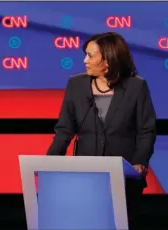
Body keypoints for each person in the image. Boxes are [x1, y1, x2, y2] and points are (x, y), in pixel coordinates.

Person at [47, 32, 156, 228]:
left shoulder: (136, 87)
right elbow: (65, 129)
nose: (84, 60)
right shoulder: (76, 85)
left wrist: (140, 161)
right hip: (86, 178)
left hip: (124, 180)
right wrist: (50, 160)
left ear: (107, 60)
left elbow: (146, 129)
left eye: (90, 55)